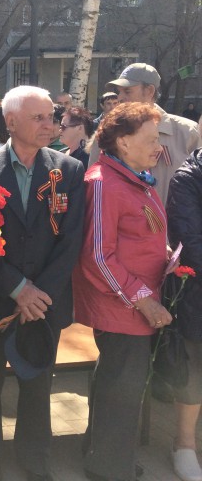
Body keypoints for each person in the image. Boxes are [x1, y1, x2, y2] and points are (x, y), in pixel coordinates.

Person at [0, 86, 85, 481]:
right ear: (11, 121)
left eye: (51, 116)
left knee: (37, 384)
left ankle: (35, 459)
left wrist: (36, 294)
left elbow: (71, 240)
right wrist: (17, 288)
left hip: (43, 302)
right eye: (38, 117)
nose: (49, 124)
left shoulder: (66, 169)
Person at [73, 103, 173, 481]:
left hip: (133, 302)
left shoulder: (133, 176)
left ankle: (102, 455)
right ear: (123, 141)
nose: (157, 148)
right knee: (123, 388)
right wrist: (143, 299)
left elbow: (138, 235)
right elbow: (98, 256)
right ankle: (109, 469)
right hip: (124, 307)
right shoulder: (103, 182)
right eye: (150, 140)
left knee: (117, 381)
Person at [88, 63, 201, 203]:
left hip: (175, 223)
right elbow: (94, 187)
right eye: (119, 91)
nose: (120, 98)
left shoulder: (187, 132)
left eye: (127, 91)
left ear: (149, 91)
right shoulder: (108, 132)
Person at [166, 151, 202, 481]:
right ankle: (185, 443)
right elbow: (189, 242)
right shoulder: (188, 177)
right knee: (193, 369)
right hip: (197, 291)